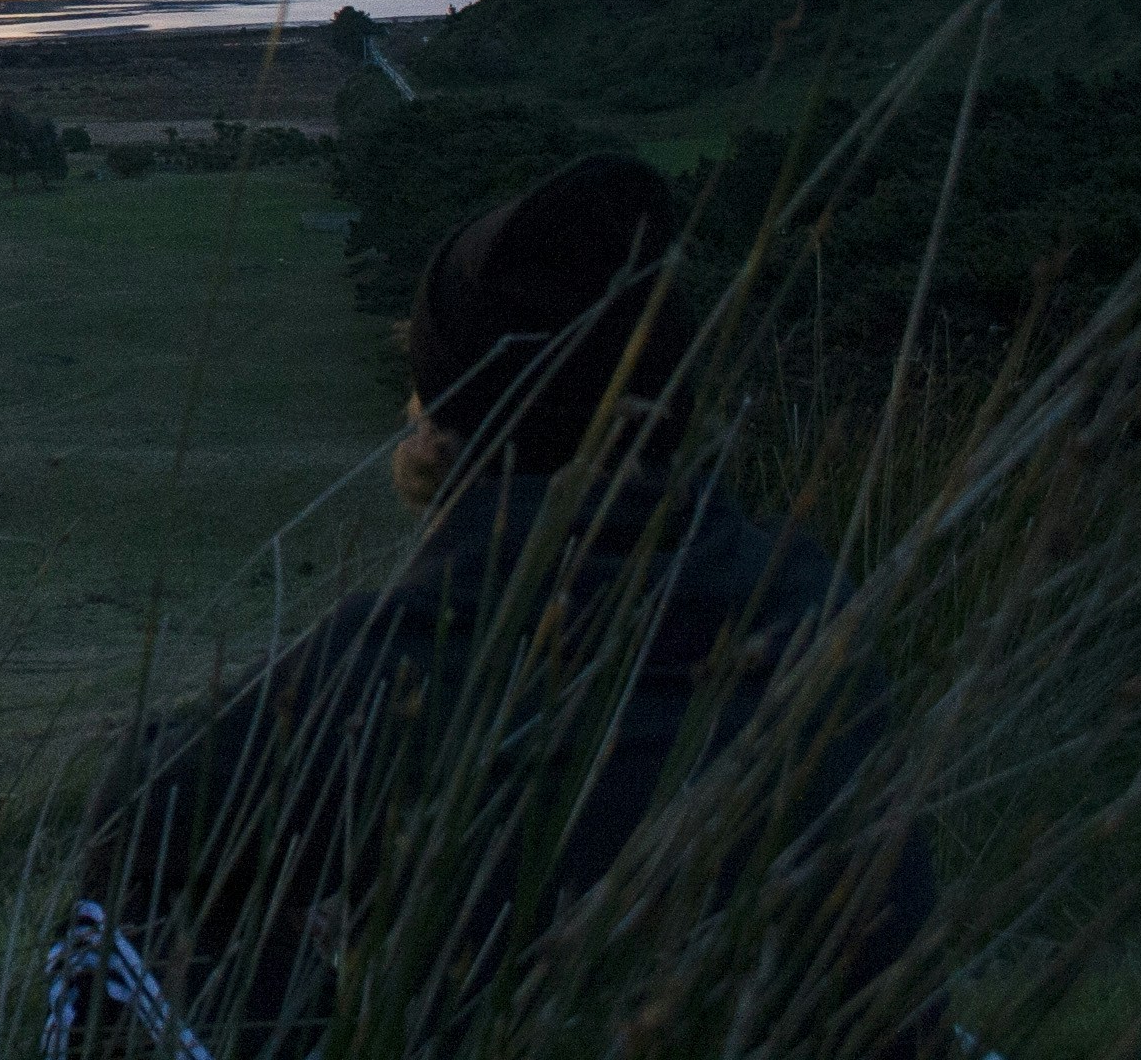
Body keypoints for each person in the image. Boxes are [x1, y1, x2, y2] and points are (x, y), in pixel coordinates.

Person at [45, 155, 938, 1058]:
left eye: (421, 377)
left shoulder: (410, 657)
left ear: (444, 425)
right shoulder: (813, 596)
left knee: (119, 924)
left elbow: (141, 806)